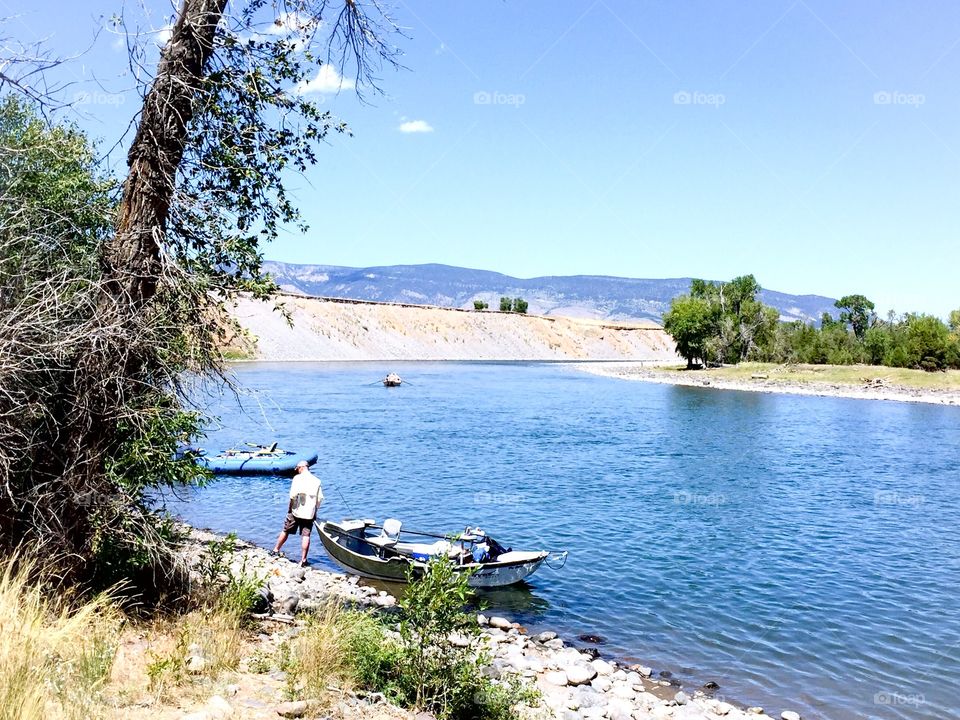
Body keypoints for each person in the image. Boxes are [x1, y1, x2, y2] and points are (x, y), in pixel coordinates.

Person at [270, 461, 323, 566]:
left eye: (297, 469)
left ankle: (275, 550)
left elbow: (292, 496)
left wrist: (289, 509)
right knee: (306, 535)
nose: (297, 471)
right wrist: (315, 510)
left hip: (296, 511)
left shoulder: (297, 479)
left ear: (301, 467)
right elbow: (320, 499)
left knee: (286, 530)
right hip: (309, 513)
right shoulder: (317, 481)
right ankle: (303, 560)